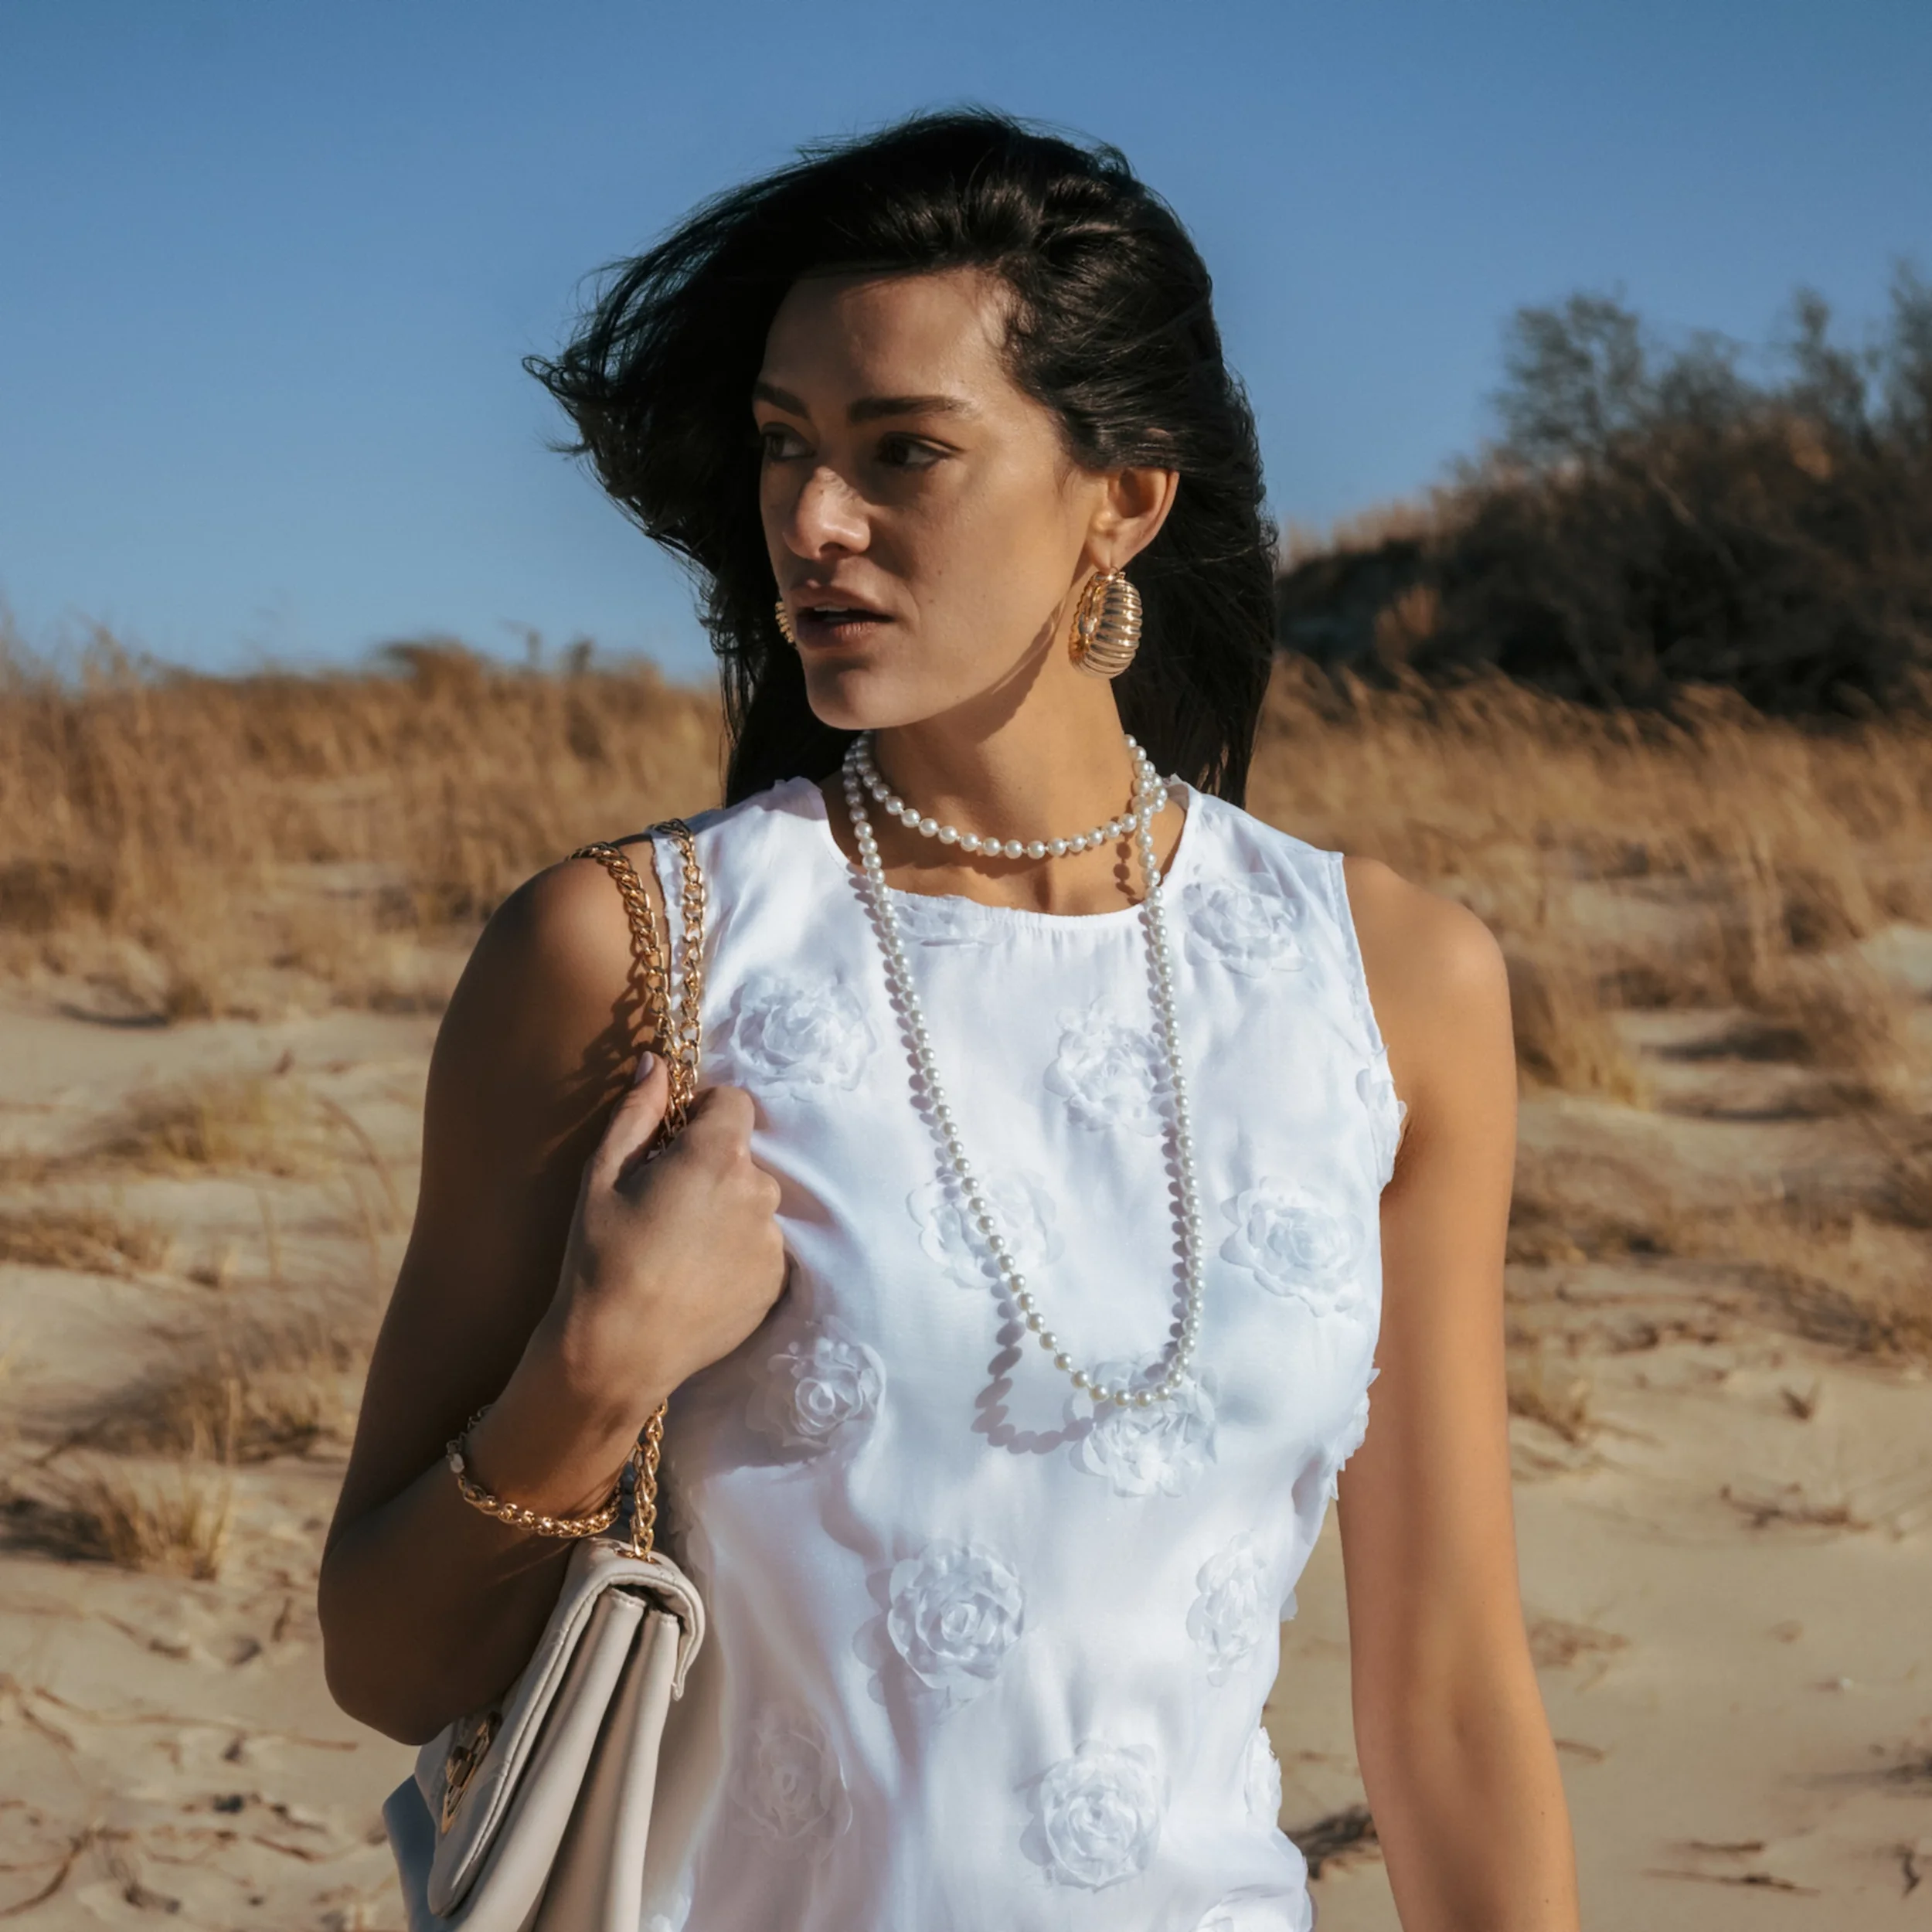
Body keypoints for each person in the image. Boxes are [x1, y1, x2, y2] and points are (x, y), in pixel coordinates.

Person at [319, 109, 1581, 1932]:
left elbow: (1449, 1696)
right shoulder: (629, 951)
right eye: (781, 448)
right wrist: (589, 1376)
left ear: (1119, 500)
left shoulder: (1390, 980)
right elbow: (382, 1651)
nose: (811, 523)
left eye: (901, 450)